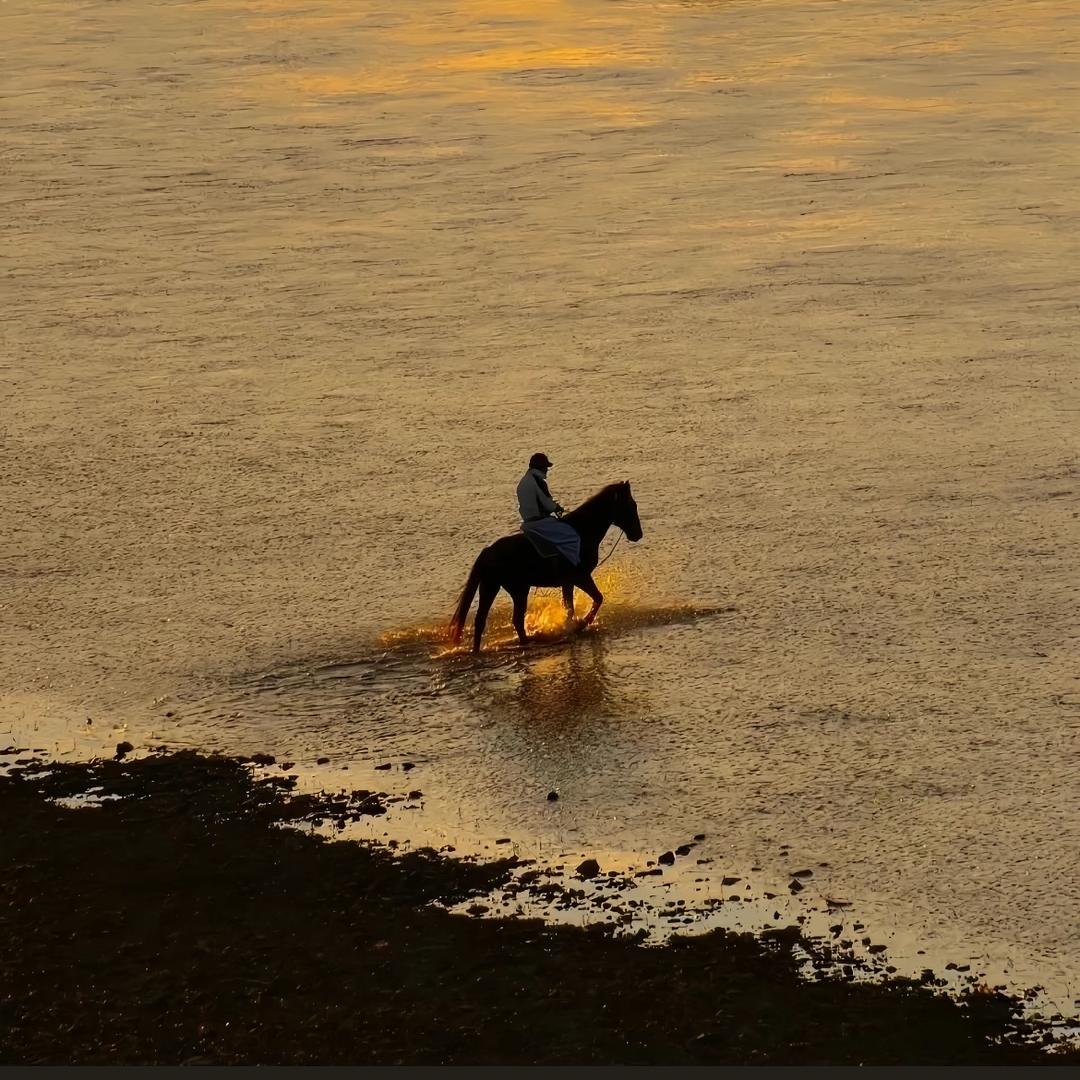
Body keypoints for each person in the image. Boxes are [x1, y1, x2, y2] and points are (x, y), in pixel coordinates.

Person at [516, 453, 581, 566]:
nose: (547, 470)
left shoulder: (523, 481)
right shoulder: (538, 481)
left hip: (528, 522)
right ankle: (572, 566)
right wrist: (557, 508)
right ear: (540, 467)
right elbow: (547, 503)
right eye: (545, 467)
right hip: (540, 522)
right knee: (572, 536)